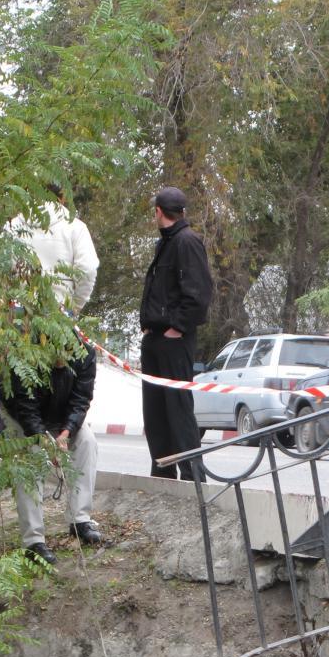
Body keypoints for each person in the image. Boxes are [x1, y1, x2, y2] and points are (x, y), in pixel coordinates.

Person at [0, 333, 100, 566]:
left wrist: (66, 433)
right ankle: (33, 540)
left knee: (87, 442)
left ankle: (80, 521)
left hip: (62, 417)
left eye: (66, 357)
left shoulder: (86, 355)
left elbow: (81, 400)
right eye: (55, 358)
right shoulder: (24, 357)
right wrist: (44, 441)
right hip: (22, 417)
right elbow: (25, 406)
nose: (60, 362)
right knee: (33, 459)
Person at [139, 186, 214, 479]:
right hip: (156, 340)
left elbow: (199, 294)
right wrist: (148, 326)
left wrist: (177, 328)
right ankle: (163, 471)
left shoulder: (187, 242)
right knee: (155, 412)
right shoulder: (165, 244)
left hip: (175, 341)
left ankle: (194, 476)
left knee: (178, 409)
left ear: (159, 211)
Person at [9, 185, 100, 317]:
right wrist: (75, 306)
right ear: (62, 196)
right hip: (59, 311)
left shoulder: (13, 225)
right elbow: (87, 269)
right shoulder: (76, 227)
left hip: (19, 311)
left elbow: (0, 263)